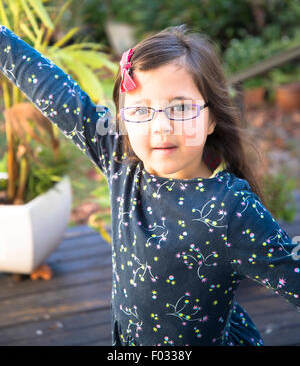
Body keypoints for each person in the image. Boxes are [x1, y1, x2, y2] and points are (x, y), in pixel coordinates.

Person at [0, 24, 299, 346]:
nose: (161, 126)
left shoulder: (231, 210)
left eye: (180, 107)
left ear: (211, 118)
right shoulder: (121, 161)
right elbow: (55, 92)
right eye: (141, 110)